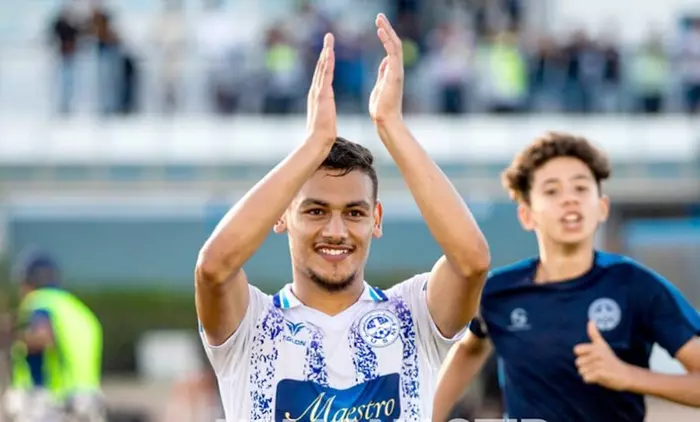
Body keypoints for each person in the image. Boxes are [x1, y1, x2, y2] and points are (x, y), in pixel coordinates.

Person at [195, 13, 490, 422]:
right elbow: (213, 268)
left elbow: (472, 261)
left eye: (354, 213)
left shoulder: (412, 316)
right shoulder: (252, 324)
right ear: (281, 216)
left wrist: (392, 127)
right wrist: (314, 145)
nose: (336, 231)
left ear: (376, 219)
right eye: (316, 211)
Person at [432, 132, 700, 421]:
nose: (570, 199)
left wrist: (628, 376)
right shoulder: (499, 291)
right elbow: (469, 350)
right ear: (527, 215)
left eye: (581, 188)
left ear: (602, 207)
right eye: (552, 191)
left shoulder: (635, 285)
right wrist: (426, 414)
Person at [3, 250, 105, 422]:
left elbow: (43, 337)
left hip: (55, 401)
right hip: (88, 398)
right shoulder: (75, 308)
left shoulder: (39, 301)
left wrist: (12, 337)